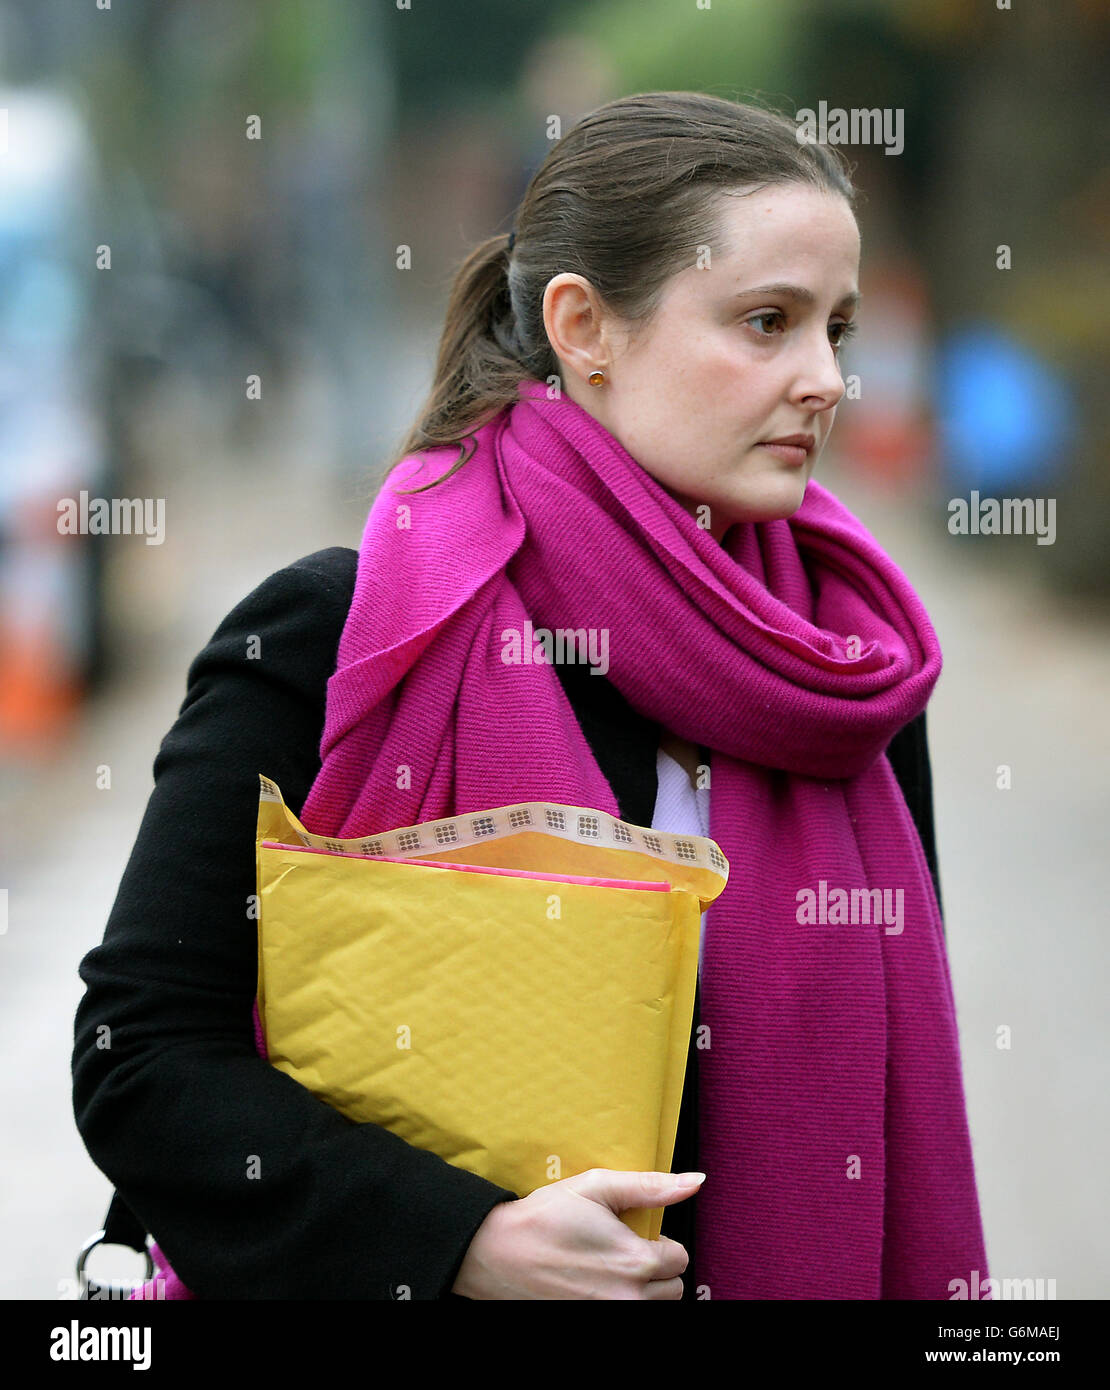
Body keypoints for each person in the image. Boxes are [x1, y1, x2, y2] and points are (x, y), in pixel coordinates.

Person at [72, 91, 988, 1300]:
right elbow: (140, 1057)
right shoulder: (332, 635)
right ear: (583, 327)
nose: (825, 379)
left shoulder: (848, 674)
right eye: (767, 321)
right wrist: (455, 1243)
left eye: (839, 330)